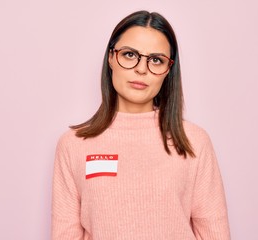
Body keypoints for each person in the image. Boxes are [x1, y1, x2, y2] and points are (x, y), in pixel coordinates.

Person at [52, 10, 231, 240]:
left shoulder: (194, 142)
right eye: (129, 55)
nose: (141, 69)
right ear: (110, 58)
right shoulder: (73, 145)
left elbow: (214, 234)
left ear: (168, 70)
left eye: (156, 60)